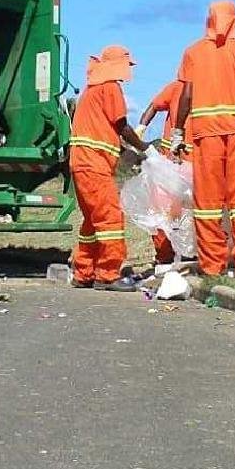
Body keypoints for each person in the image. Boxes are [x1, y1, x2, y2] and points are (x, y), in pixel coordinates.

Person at [171, 0, 235, 278]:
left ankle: (212, 267)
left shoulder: (193, 53)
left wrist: (178, 131)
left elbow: (186, 96)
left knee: (207, 206)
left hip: (205, 137)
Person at [69, 45, 148, 291]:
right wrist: (144, 147)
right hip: (94, 163)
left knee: (93, 221)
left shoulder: (92, 89)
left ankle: (84, 272)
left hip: (82, 162)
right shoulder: (110, 86)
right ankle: (108, 274)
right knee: (110, 217)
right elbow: (121, 126)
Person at [137, 79, 193, 267]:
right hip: (171, 162)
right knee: (166, 211)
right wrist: (141, 128)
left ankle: (187, 254)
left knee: (188, 213)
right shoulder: (176, 87)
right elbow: (153, 106)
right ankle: (165, 257)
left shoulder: (213, 88)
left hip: (193, 163)